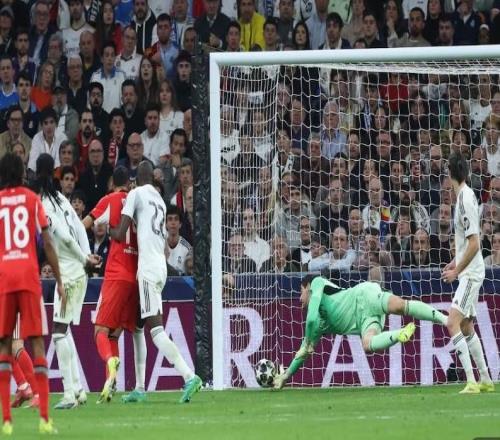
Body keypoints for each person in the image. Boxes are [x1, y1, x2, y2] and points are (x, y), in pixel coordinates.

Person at [111, 161, 202, 403]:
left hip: (148, 269)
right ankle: (140, 388)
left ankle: (189, 376)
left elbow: (120, 233)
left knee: (156, 331)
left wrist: (107, 227)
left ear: (136, 179)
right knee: (138, 327)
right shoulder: (160, 201)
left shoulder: (135, 194)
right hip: (160, 266)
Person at [273, 275, 448, 389]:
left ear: (308, 287)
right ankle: (399, 334)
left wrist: (307, 343)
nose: (299, 298)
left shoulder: (317, 283)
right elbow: (302, 354)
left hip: (363, 296)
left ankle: (446, 320)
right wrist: (286, 376)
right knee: (367, 344)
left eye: (301, 292)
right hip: (364, 321)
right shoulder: (318, 325)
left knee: (400, 306)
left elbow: (310, 320)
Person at [0, 153, 65, 435]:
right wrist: (59, 279)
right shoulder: (32, 199)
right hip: (28, 275)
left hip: (5, 278)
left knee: (6, 345)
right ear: (22, 175)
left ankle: (7, 419)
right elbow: (47, 242)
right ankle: (44, 416)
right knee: (36, 343)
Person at [34, 154, 100, 409]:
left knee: (59, 333)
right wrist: (87, 255)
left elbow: (63, 236)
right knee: (64, 330)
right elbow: (80, 228)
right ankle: (79, 389)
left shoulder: (44, 205)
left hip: (70, 271)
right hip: (76, 269)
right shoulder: (60, 198)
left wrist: (84, 259)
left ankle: (69, 394)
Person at [82, 166, 148, 404]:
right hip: (136, 277)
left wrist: (83, 255)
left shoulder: (110, 199)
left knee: (99, 331)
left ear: (112, 183)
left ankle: (110, 363)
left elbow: (84, 224)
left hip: (116, 274)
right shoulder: (139, 203)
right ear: (129, 184)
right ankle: (111, 384)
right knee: (113, 335)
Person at [441, 153, 494, 394]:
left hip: (471, 274)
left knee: (452, 322)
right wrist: (454, 261)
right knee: (465, 326)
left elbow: (475, 243)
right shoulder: (466, 195)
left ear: (449, 173)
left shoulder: (464, 199)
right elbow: (467, 243)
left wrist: (457, 271)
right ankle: (486, 379)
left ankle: (471, 381)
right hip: (469, 270)